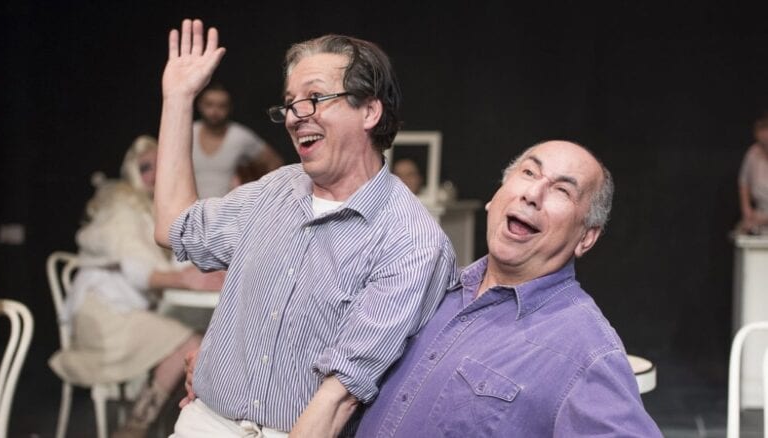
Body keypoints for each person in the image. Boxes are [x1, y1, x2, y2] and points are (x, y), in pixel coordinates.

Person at [155, 19, 456, 437]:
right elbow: (176, 227)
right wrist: (177, 98)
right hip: (205, 422)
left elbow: (338, 398)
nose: (296, 116)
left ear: (369, 111)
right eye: (290, 103)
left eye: (314, 98)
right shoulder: (276, 189)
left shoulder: (411, 241)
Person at [356, 141, 662, 437]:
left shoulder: (586, 350)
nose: (533, 194)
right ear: (495, 197)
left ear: (586, 238)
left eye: (562, 190)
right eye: (529, 173)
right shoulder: (428, 287)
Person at [47, 135, 225, 438]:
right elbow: (137, 268)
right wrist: (187, 280)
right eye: (145, 167)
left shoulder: (154, 211)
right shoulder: (122, 206)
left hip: (129, 314)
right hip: (103, 317)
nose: (154, 174)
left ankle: (146, 422)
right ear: (131, 169)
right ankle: (135, 427)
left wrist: (209, 272)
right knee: (191, 343)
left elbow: (176, 263)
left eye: (160, 166)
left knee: (200, 340)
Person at [193, 83, 283, 198]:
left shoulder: (240, 136)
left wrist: (257, 193)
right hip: (190, 206)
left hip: (228, 207)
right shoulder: (189, 133)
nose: (215, 111)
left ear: (230, 108)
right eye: (209, 104)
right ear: (200, 105)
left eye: (222, 106)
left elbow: (274, 162)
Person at [738, 110, 768, 234]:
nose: (765, 135)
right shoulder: (752, 154)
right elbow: (744, 182)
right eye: (761, 129)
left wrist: (763, 219)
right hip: (759, 217)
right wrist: (747, 210)